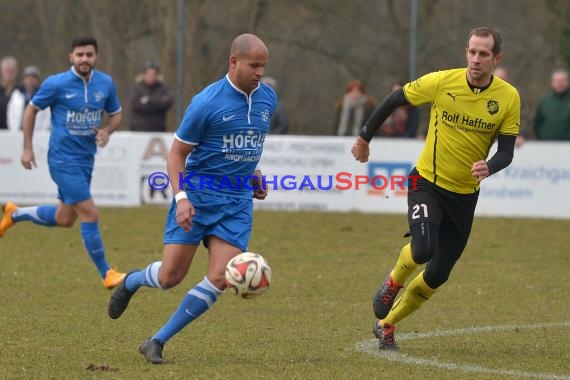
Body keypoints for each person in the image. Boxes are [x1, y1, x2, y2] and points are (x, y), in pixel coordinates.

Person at [107, 33, 276, 364]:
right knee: (170, 277)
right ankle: (132, 280)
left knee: (221, 277)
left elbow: (249, 141)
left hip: (237, 202)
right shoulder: (206, 102)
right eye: (254, 65)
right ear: (234, 61)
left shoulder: (269, 98)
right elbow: (176, 154)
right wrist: (182, 198)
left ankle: (157, 340)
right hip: (198, 197)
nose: (259, 72)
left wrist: (255, 172)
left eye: (263, 66)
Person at [351, 27, 520, 350]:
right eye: (472, 51)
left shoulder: (508, 97)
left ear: (496, 58)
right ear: (466, 52)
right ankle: (393, 281)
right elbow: (394, 99)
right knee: (424, 247)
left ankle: (387, 325)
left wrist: (490, 166)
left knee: (438, 273)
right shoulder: (443, 81)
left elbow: (507, 151)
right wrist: (364, 137)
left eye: (484, 54)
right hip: (426, 181)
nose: (476, 59)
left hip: (464, 196)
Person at [0, 36, 126, 289]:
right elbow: (31, 110)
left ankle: (15, 213)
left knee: (65, 218)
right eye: (79, 55)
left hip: (85, 160)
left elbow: (117, 114)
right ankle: (107, 274)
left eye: (89, 55)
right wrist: (27, 148)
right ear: (71, 56)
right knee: (90, 212)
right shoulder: (56, 84)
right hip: (61, 159)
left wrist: (108, 130)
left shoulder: (105, 83)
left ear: (96, 57)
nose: (84, 59)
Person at [129, 61, 174, 132]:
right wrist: (158, 102)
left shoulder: (164, 88)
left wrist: (148, 100)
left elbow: (168, 103)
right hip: (139, 129)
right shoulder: (136, 88)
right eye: (149, 74)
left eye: (154, 74)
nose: (151, 77)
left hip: (159, 129)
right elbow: (135, 104)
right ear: (144, 75)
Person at [533, 68, 570, 140]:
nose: (560, 83)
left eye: (562, 81)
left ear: (568, 82)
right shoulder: (544, 101)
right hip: (546, 145)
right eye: (557, 81)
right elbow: (537, 123)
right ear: (552, 83)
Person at [493, 66, 525, 147]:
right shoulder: (486, 94)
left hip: (507, 138)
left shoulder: (513, 96)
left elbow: (521, 117)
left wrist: (520, 135)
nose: (499, 81)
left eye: (502, 78)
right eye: (497, 78)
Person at [20, 65, 51, 131]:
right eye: (28, 78)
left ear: (37, 81)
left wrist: (42, 133)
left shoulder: (44, 96)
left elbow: (47, 117)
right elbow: (12, 115)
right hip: (18, 132)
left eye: (33, 78)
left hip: (38, 133)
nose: (30, 81)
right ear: (23, 80)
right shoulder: (17, 95)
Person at [0, 56, 25, 131]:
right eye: (7, 71)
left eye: (12, 71)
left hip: (16, 133)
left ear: (16, 72)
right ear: (1, 72)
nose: (9, 74)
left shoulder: (22, 90)